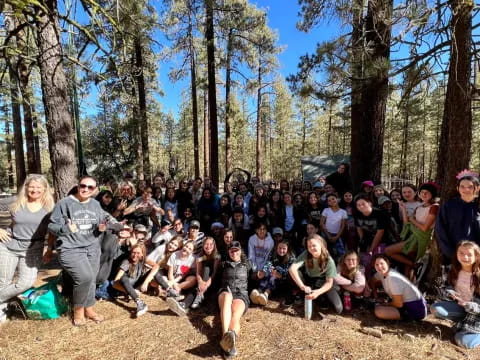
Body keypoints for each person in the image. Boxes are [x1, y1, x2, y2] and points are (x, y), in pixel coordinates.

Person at [49, 176, 118, 326]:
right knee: (85, 277)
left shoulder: (95, 204)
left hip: (92, 247)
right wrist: (65, 228)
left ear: (95, 190)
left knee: (92, 279)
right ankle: (78, 310)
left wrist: (104, 227)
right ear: (78, 185)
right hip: (70, 248)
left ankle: (90, 308)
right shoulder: (64, 203)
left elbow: (103, 221)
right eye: (83, 185)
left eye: (90, 187)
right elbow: (51, 226)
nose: (86, 189)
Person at [0, 174, 55, 324]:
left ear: (44, 189)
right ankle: (2, 311)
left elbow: (52, 232)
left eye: (38, 187)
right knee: (4, 281)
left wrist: (49, 249)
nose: (34, 190)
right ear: (26, 187)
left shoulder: (50, 207)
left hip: (33, 248)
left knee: (26, 282)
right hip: (8, 245)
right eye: (31, 186)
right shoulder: (15, 201)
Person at [431, 241, 480, 349]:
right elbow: (444, 289)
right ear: (456, 253)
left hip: (476, 314)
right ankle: (462, 323)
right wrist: (450, 294)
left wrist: (469, 305)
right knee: (436, 309)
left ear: (476, 256)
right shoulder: (451, 269)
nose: (465, 257)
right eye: (461, 253)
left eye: (469, 254)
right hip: (461, 308)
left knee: (463, 342)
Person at [385, 182, 439, 281]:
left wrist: (412, 220)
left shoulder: (434, 207)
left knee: (388, 251)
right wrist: (403, 209)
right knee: (408, 268)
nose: (424, 194)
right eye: (422, 192)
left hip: (420, 240)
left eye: (427, 192)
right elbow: (407, 223)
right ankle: (411, 287)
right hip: (412, 237)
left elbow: (424, 228)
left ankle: (415, 265)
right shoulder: (420, 207)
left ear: (433, 194)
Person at [289, 234, 342, 315]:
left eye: (314, 245)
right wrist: (302, 286)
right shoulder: (306, 253)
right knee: (295, 274)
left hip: (322, 280)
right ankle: (302, 293)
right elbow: (292, 268)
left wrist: (318, 292)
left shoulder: (328, 260)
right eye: (309, 246)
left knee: (338, 309)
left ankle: (320, 296)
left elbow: (329, 282)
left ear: (321, 245)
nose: (311, 248)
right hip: (309, 278)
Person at [169, 237, 221, 315]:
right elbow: (198, 272)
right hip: (202, 280)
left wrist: (206, 284)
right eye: (206, 244)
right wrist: (200, 282)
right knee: (198, 286)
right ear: (203, 245)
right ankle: (183, 305)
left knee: (207, 269)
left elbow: (214, 272)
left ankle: (198, 297)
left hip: (213, 281)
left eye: (211, 244)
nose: (208, 246)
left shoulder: (217, 256)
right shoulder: (200, 256)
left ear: (214, 246)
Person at [218, 241, 252, 357]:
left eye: (236, 250)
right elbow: (213, 278)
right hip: (225, 292)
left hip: (240, 294)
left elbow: (255, 278)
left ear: (240, 251)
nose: (234, 253)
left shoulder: (247, 265)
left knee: (235, 315)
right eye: (231, 250)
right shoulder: (223, 264)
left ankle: (229, 343)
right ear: (228, 252)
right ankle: (225, 337)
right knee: (227, 296)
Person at [436, 172, 480, 262]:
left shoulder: (478, 206)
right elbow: (440, 229)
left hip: (477, 256)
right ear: (457, 188)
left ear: (477, 188)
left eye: (470, 186)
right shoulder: (449, 206)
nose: (466, 189)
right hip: (454, 255)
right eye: (462, 186)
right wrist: (451, 253)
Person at [370, 254, 427, 321]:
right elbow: (372, 281)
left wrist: (385, 304)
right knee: (377, 307)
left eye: (382, 263)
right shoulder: (381, 273)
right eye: (376, 264)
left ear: (387, 263)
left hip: (415, 309)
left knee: (378, 311)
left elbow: (398, 304)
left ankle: (405, 318)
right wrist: (375, 295)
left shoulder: (392, 278)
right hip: (404, 304)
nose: (379, 266)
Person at [112, 244, 159, 317]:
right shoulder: (126, 262)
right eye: (133, 252)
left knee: (156, 272)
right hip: (127, 286)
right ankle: (140, 303)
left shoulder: (142, 260)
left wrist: (146, 282)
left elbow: (156, 266)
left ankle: (171, 292)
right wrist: (131, 292)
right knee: (123, 278)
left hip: (136, 284)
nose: (135, 255)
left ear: (142, 254)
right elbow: (115, 283)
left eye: (138, 253)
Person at [250, 240, 295, 306]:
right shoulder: (273, 254)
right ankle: (258, 295)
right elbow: (268, 263)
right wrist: (265, 271)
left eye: (284, 248)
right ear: (277, 247)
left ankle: (265, 293)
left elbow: (289, 271)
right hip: (272, 276)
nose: (281, 250)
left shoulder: (291, 258)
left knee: (273, 277)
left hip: (283, 281)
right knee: (268, 274)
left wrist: (280, 274)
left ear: (288, 249)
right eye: (279, 248)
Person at [354, 194, 389, 277]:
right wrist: (363, 241)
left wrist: (371, 248)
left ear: (369, 203)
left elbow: (380, 232)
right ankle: (367, 281)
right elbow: (359, 228)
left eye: (363, 204)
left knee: (378, 261)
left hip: (381, 241)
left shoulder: (379, 214)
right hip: (367, 241)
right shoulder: (357, 214)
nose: (361, 206)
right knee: (365, 261)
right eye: (358, 205)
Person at [320, 194, 347, 262]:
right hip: (326, 234)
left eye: (333, 199)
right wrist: (328, 235)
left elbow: (343, 226)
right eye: (329, 200)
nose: (332, 201)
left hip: (337, 234)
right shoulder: (326, 210)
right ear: (328, 203)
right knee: (325, 252)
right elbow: (321, 224)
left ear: (337, 199)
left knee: (341, 252)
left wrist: (337, 237)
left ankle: (342, 266)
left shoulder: (343, 212)